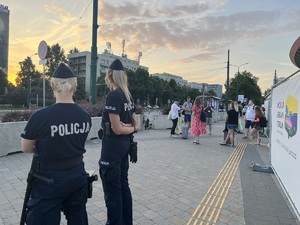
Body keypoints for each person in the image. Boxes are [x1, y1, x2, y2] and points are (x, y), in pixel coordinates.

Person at [20, 63, 91, 225]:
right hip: (77, 175)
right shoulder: (84, 116)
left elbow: (26, 147)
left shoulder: (40, 117)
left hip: (48, 180)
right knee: (78, 218)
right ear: (74, 87)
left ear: (52, 85)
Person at [99, 59, 139, 225]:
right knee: (123, 187)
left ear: (110, 75)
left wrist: (129, 128)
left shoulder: (113, 96)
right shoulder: (128, 95)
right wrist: (132, 127)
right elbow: (135, 123)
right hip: (124, 148)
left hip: (112, 150)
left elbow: (117, 129)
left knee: (113, 193)